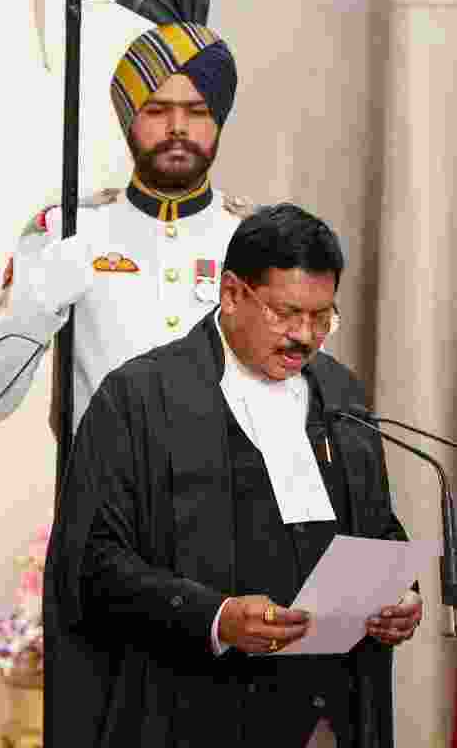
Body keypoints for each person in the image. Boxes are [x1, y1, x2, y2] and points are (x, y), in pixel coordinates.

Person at [45, 205, 422, 747]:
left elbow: (377, 524)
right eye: (286, 313)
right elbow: (95, 562)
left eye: (322, 317)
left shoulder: (340, 392)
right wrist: (215, 617)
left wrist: (399, 595)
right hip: (192, 711)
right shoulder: (139, 399)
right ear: (231, 294)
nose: (305, 336)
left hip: (328, 716)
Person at [0, 0, 254, 435]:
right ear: (128, 118)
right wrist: (36, 304)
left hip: (224, 508)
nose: (178, 127)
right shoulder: (71, 228)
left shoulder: (254, 241)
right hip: (102, 507)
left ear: (218, 120)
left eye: (197, 110)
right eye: (157, 109)